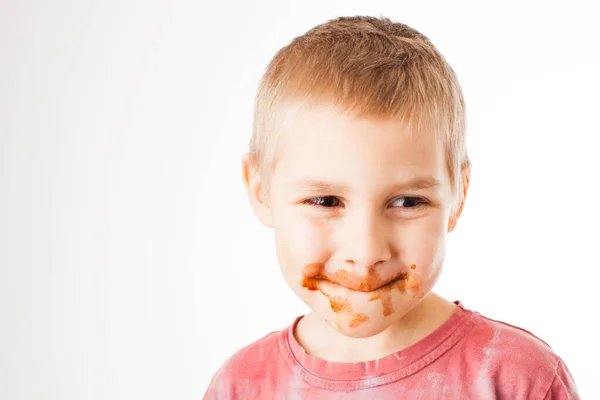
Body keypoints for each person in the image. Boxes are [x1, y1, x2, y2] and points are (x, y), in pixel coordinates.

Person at [203, 15, 580, 399]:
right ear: (260, 190)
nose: (365, 253)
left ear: (458, 196)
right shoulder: (241, 387)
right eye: (325, 201)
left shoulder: (518, 379)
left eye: (407, 202)